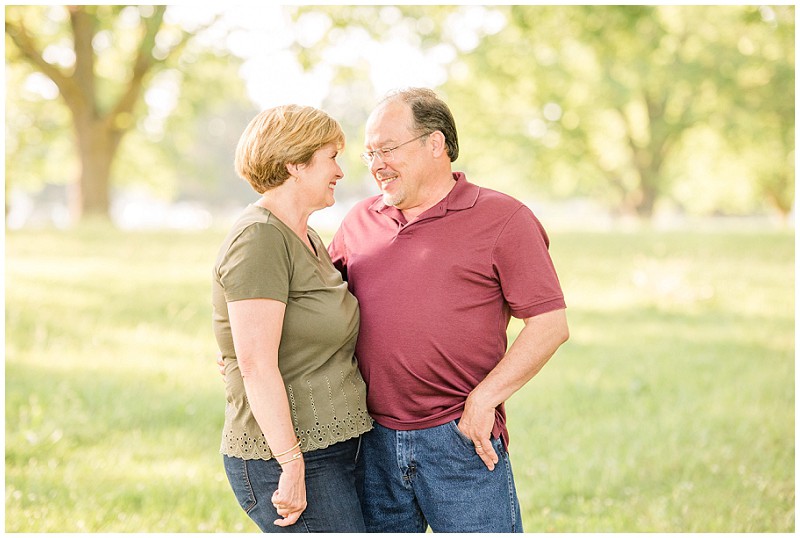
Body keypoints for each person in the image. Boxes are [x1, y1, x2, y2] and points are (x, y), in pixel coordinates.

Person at [327, 87, 569, 533]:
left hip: (459, 436)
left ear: (435, 144)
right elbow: (316, 306)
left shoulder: (505, 218)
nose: (376, 163)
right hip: (371, 439)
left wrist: (484, 400)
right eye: (369, 153)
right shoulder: (358, 221)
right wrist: (242, 348)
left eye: (387, 148)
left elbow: (550, 324)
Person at [211, 105, 372, 533]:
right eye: (331, 156)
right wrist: (291, 463)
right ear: (295, 165)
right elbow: (255, 363)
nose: (340, 169)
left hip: (336, 445)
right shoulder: (260, 237)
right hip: (287, 457)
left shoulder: (306, 236)